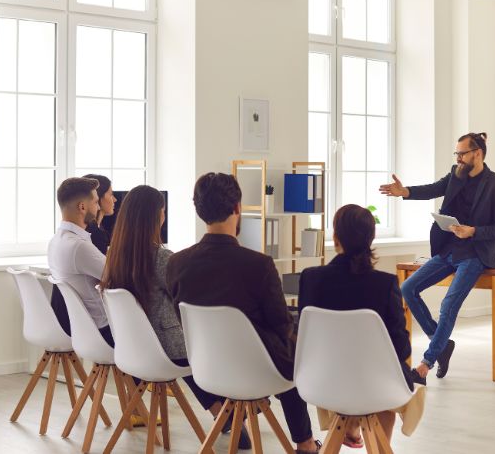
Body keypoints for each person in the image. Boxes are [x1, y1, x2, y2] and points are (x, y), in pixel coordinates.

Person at [167, 172, 321, 454]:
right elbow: (279, 324)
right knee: (293, 345)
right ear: (237, 208)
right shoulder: (258, 265)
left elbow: (184, 322)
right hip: (259, 371)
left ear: (199, 210)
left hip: (208, 370)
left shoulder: (176, 264)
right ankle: (306, 443)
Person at [99, 185, 251, 448]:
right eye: (163, 211)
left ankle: (226, 413)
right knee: (215, 344)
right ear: (155, 216)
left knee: (196, 347)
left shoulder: (115, 256)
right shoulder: (161, 258)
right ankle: (230, 411)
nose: (164, 216)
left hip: (133, 350)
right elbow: (188, 299)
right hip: (166, 349)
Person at [379, 132, 495, 381]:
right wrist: (404, 192)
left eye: (462, 153)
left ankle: (425, 365)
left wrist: (473, 231)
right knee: (407, 288)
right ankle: (442, 345)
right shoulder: (456, 174)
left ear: (478, 154)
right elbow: (432, 189)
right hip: (447, 249)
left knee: (448, 305)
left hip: (475, 253)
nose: (458, 158)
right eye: (457, 154)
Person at [298, 204, 426, 447]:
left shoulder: (311, 279)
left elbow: (304, 338)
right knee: (387, 383)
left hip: (323, 382)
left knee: (364, 378)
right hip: (374, 387)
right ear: (372, 238)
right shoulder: (385, 284)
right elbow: (401, 349)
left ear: (335, 238)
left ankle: (352, 425)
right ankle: (374, 444)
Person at [48, 177, 111, 345]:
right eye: (96, 202)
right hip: (103, 332)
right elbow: (117, 276)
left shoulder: (56, 241)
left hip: (82, 329)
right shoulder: (79, 247)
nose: (98, 207)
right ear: (82, 207)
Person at [82, 174, 116, 255]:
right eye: (111, 194)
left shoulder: (99, 229)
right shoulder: (94, 235)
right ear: (98, 196)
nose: (115, 200)